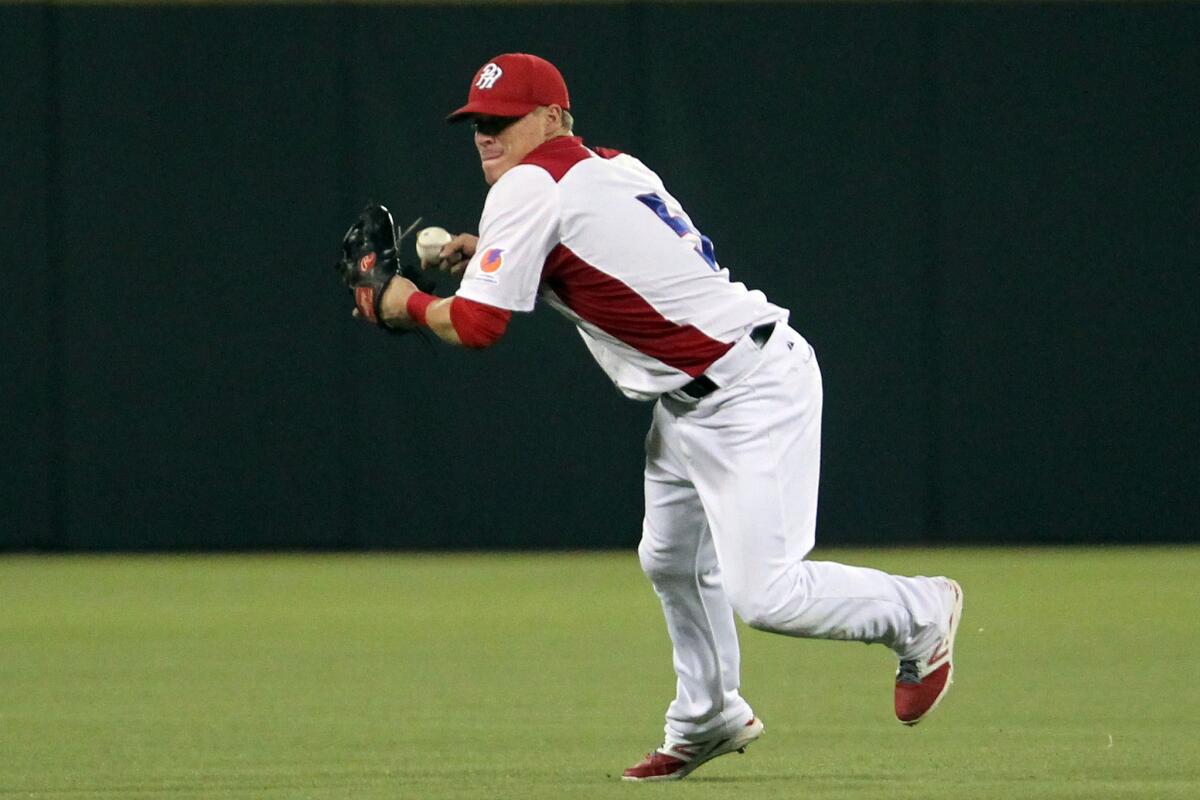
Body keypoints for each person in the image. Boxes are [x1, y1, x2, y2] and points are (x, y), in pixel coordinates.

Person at [365, 53, 964, 782]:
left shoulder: (528, 186)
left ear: (554, 118)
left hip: (748, 390)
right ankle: (708, 715)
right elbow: (587, 252)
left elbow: (481, 326)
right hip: (700, 394)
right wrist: (488, 254)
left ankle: (920, 612)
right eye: (477, 124)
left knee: (767, 592)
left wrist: (402, 304)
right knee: (671, 558)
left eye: (503, 121)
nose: (486, 136)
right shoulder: (612, 164)